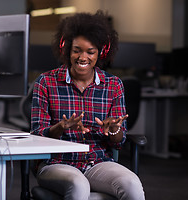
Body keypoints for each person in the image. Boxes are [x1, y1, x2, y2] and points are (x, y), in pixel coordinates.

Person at [30, 11, 145, 200]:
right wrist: (59, 128)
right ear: (66, 49)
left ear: (101, 53)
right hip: (56, 163)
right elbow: (36, 136)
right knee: (78, 186)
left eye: (90, 52)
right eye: (77, 50)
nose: (83, 57)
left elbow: (119, 140)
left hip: (97, 162)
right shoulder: (46, 82)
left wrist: (115, 130)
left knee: (132, 185)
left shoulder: (114, 85)